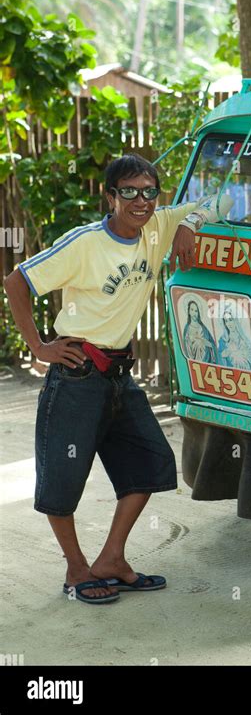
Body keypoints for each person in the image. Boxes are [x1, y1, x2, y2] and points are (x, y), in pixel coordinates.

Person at [3, 153, 231, 605]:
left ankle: (111, 559)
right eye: (129, 191)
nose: (141, 200)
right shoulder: (84, 243)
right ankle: (76, 569)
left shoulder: (159, 226)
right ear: (111, 196)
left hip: (119, 377)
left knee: (152, 464)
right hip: (76, 375)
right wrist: (38, 346)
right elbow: (16, 282)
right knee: (62, 482)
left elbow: (226, 197)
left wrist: (190, 224)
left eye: (149, 191)